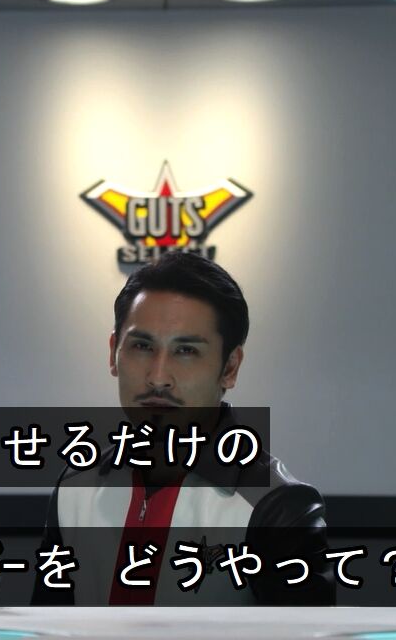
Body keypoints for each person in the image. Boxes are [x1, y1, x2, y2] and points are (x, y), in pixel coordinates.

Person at [34, 252, 333, 605]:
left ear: (230, 368)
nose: (158, 377)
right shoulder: (74, 488)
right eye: (142, 346)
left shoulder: (277, 507)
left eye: (186, 351)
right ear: (114, 351)